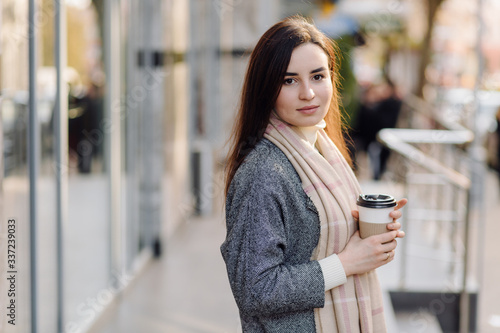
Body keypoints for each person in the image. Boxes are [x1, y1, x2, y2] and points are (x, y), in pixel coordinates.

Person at [220, 16, 407, 332]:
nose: (308, 93)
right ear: (266, 89)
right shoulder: (264, 174)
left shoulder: (324, 149)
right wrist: (347, 263)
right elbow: (255, 290)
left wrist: (371, 239)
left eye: (318, 76)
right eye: (289, 80)